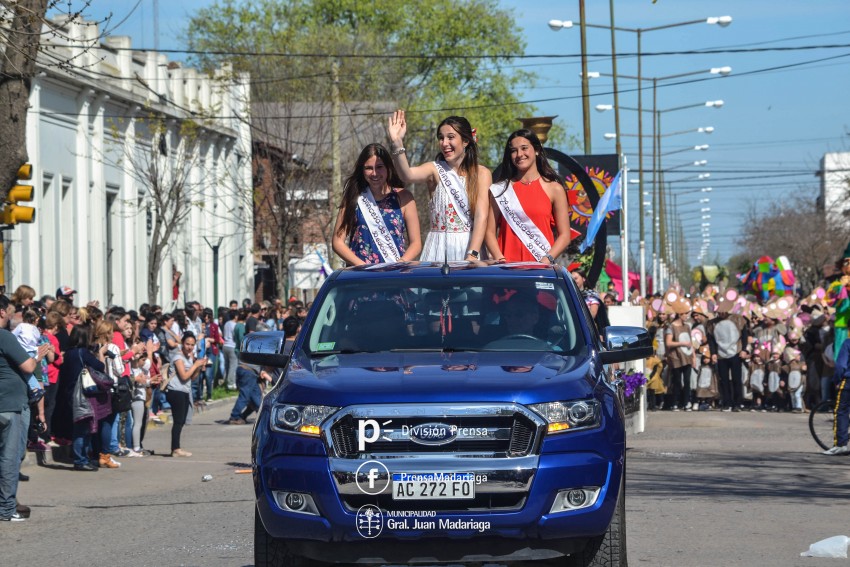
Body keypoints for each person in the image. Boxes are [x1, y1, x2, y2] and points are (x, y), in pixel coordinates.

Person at [387, 110, 491, 262]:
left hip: (470, 247)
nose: (445, 143)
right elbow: (407, 175)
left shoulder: (481, 173)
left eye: (451, 137)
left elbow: (482, 216)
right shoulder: (434, 169)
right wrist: (397, 142)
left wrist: (472, 254)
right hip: (438, 247)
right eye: (441, 138)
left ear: (466, 141)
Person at [485, 129, 571, 264]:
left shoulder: (555, 189)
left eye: (524, 148)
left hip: (541, 268)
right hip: (506, 269)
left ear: (536, 150)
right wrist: (500, 259)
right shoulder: (500, 190)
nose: (519, 154)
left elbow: (565, 236)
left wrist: (546, 259)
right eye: (513, 151)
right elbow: (489, 232)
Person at [332, 143, 422, 265]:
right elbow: (337, 241)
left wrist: (400, 264)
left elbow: (416, 244)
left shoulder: (404, 197)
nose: (374, 173)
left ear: (388, 168)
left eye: (379, 167)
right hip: (361, 274)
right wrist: (362, 267)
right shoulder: (353, 198)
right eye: (368, 168)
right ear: (362, 170)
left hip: (395, 272)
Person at [0, 295, 45, 521]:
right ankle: (6, 509)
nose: (11, 316)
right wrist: (37, 356)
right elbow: (28, 365)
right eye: (9, 312)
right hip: (9, 406)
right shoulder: (4, 336)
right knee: (9, 458)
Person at [166, 332, 207, 457]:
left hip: (184, 390)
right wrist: (195, 365)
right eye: (187, 344)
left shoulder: (189, 357)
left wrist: (199, 368)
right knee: (178, 420)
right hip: (175, 390)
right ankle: (175, 449)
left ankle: (176, 447)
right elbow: (184, 376)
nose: (189, 347)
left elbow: (192, 378)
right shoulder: (178, 358)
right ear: (182, 343)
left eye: (192, 345)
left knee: (182, 420)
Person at [824, 335, 850, 455]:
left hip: (848, 382)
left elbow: (841, 366)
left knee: (841, 411)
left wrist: (836, 380)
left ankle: (840, 444)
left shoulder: (847, 343)